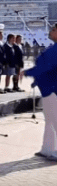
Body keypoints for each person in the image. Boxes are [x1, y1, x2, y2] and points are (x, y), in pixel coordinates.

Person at [24, 24, 57, 160]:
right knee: (49, 120)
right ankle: (47, 149)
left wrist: (27, 72)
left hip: (53, 90)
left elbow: (46, 67)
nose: (51, 31)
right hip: (48, 89)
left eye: (54, 30)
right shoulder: (52, 48)